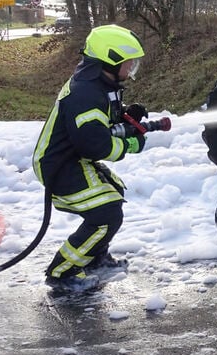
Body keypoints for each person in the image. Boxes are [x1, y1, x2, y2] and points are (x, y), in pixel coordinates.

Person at [32, 24, 149, 292]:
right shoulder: (86, 94)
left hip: (73, 159)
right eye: (129, 63)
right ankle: (62, 271)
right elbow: (94, 145)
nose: (132, 68)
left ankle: (94, 257)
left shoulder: (99, 82)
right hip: (57, 166)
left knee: (114, 192)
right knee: (107, 213)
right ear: (111, 60)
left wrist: (126, 115)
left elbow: (99, 123)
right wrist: (130, 144)